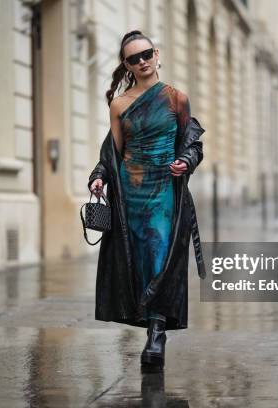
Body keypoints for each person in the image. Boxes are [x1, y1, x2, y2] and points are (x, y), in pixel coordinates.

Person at [87, 30, 206, 369]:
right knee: (136, 260)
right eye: (133, 58)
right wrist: (99, 176)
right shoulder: (119, 104)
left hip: (165, 191)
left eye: (146, 54)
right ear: (126, 65)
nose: (141, 62)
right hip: (129, 192)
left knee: (159, 257)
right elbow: (112, 151)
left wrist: (187, 160)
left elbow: (192, 143)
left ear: (156, 54)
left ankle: (156, 333)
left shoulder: (176, 99)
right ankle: (149, 323)